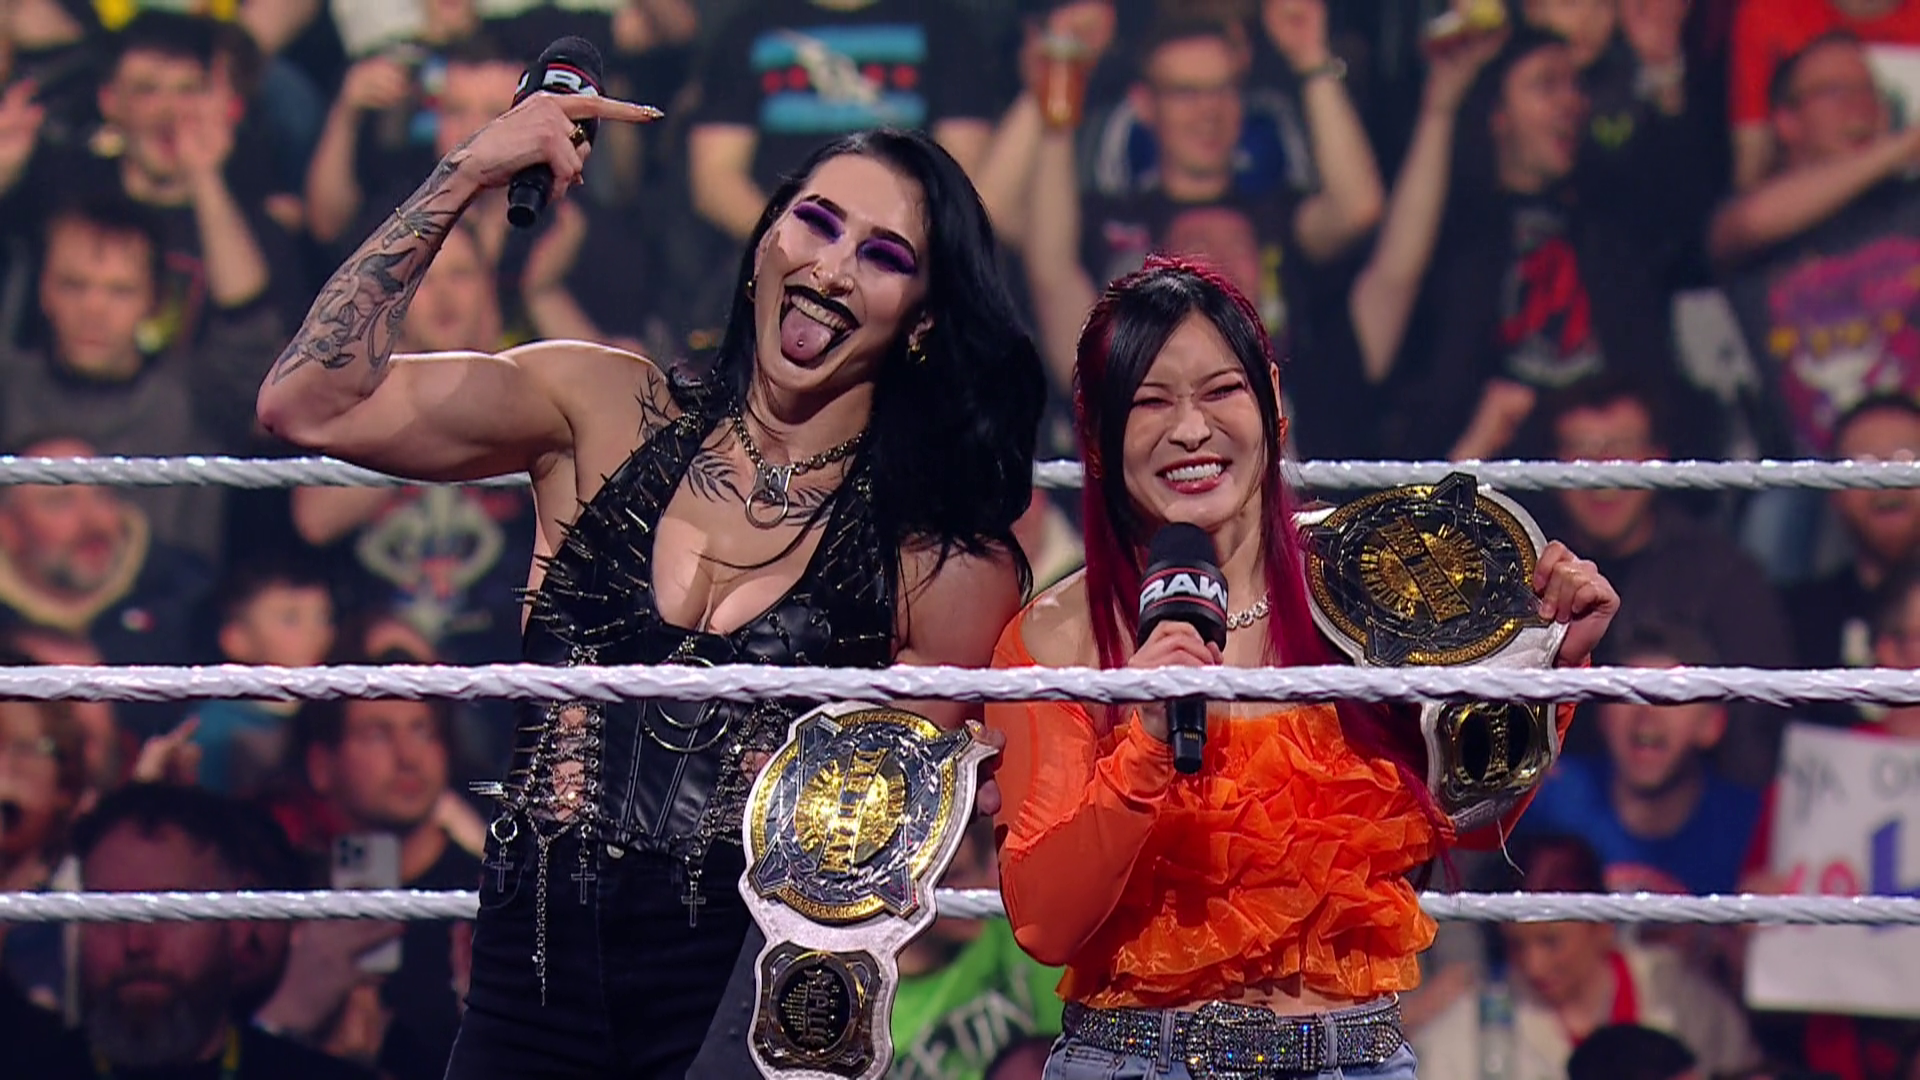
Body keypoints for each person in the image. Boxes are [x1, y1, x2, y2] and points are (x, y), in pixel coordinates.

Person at [254, 77, 1048, 1077]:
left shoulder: (936, 564)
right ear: (764, 243)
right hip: (523, 1000)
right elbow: (308, 404)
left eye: (883, 256)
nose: (833, 268)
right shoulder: (601, 411)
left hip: (736, 1017)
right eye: (817, 222)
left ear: (922, 322)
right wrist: (468, 170)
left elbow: (867, 881)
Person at [986, 256, 1620, 1079]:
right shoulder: (1055, 640)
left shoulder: (1377, 578)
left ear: (1273, 403)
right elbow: (1047, 923)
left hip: (1354, 1058)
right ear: (1097, 434)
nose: (1191, 430)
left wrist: (1548, 670)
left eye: (1221, 391)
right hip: (1139, 1060)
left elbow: (1466, 821)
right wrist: (1145, 740)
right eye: (1151, 402)